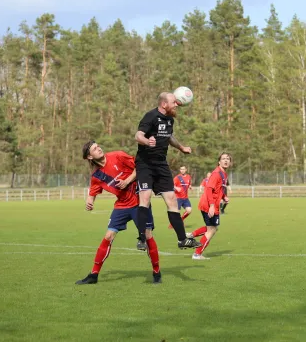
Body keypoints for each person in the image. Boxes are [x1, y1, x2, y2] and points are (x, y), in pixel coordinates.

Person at [76, 141, 162, 285]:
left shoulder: (118, 156)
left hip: (139, 202)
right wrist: (89, 201)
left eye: (98, 146)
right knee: (108, 236)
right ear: (90, 157)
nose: (99, 148)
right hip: (121, 206)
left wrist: (127, 181)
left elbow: (140, 167)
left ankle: (156, 272)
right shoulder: (97, 175)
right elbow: (93, 191)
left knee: (147, 235)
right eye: (95, 149)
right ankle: (94, 275)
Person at [134, 92, 201, 250]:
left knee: (172, 201)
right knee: (145, 198)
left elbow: (169, 137)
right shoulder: (150, 116)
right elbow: (138, 135)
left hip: (161, 165)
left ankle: (182, 239)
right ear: (164, 104)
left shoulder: (170, 119)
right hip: (145, 164)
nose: (177, 104)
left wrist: (182, 147)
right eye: (173, 102)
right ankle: (142, 238)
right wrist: (146, 141)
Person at [186, 152, 231, 260]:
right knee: (212, 230)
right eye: (223, 158)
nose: (226, 160)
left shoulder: (224, 174)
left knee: (212, 228)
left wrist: (224, 196)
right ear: (219, 161)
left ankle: (191, 235)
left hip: (212, 204)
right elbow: (209, 189)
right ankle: (197, 254)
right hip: (209, 204)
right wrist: (211, 205)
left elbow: (219, 188)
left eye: (228, 159)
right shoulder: (216, 174)